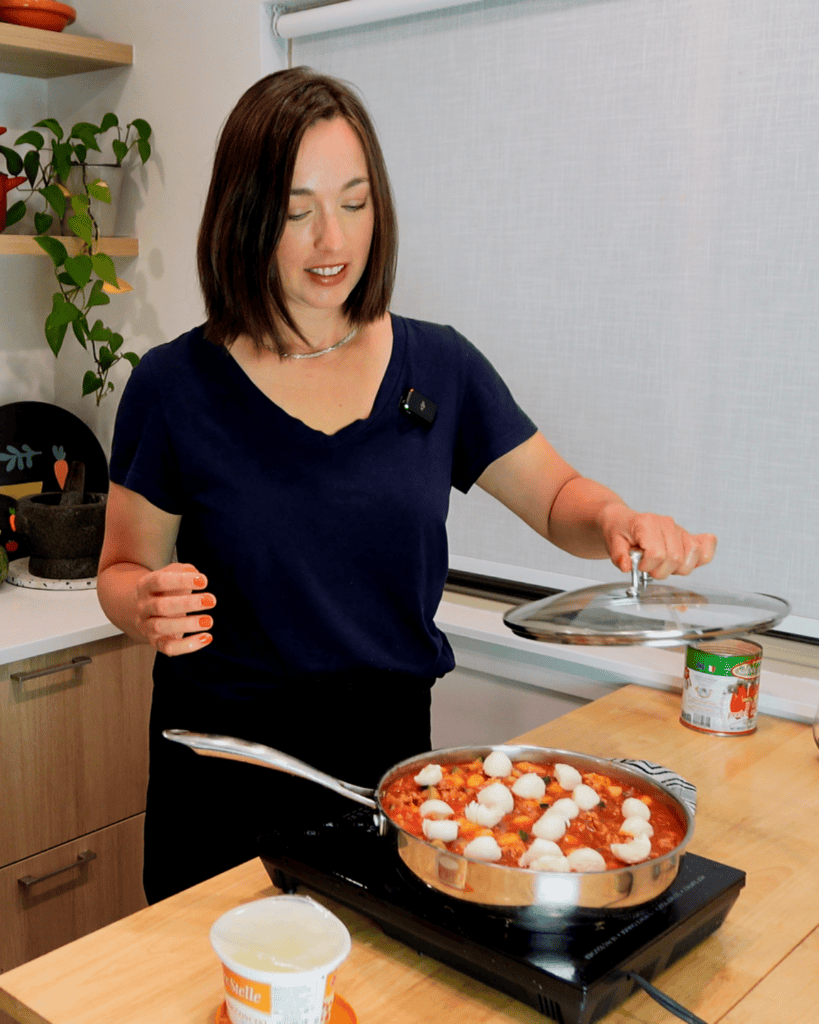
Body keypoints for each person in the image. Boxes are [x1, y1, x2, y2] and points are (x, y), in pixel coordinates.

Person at [97, 67, 716, 904]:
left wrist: (614, 518)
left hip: (390, 775)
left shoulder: (440, 366)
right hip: (224, 777)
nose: (332, 240)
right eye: (295, 209)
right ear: (244, 217)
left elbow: (554, 495)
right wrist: (142, 603)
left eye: (354, 203)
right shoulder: (173, 386)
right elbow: (121, 570)